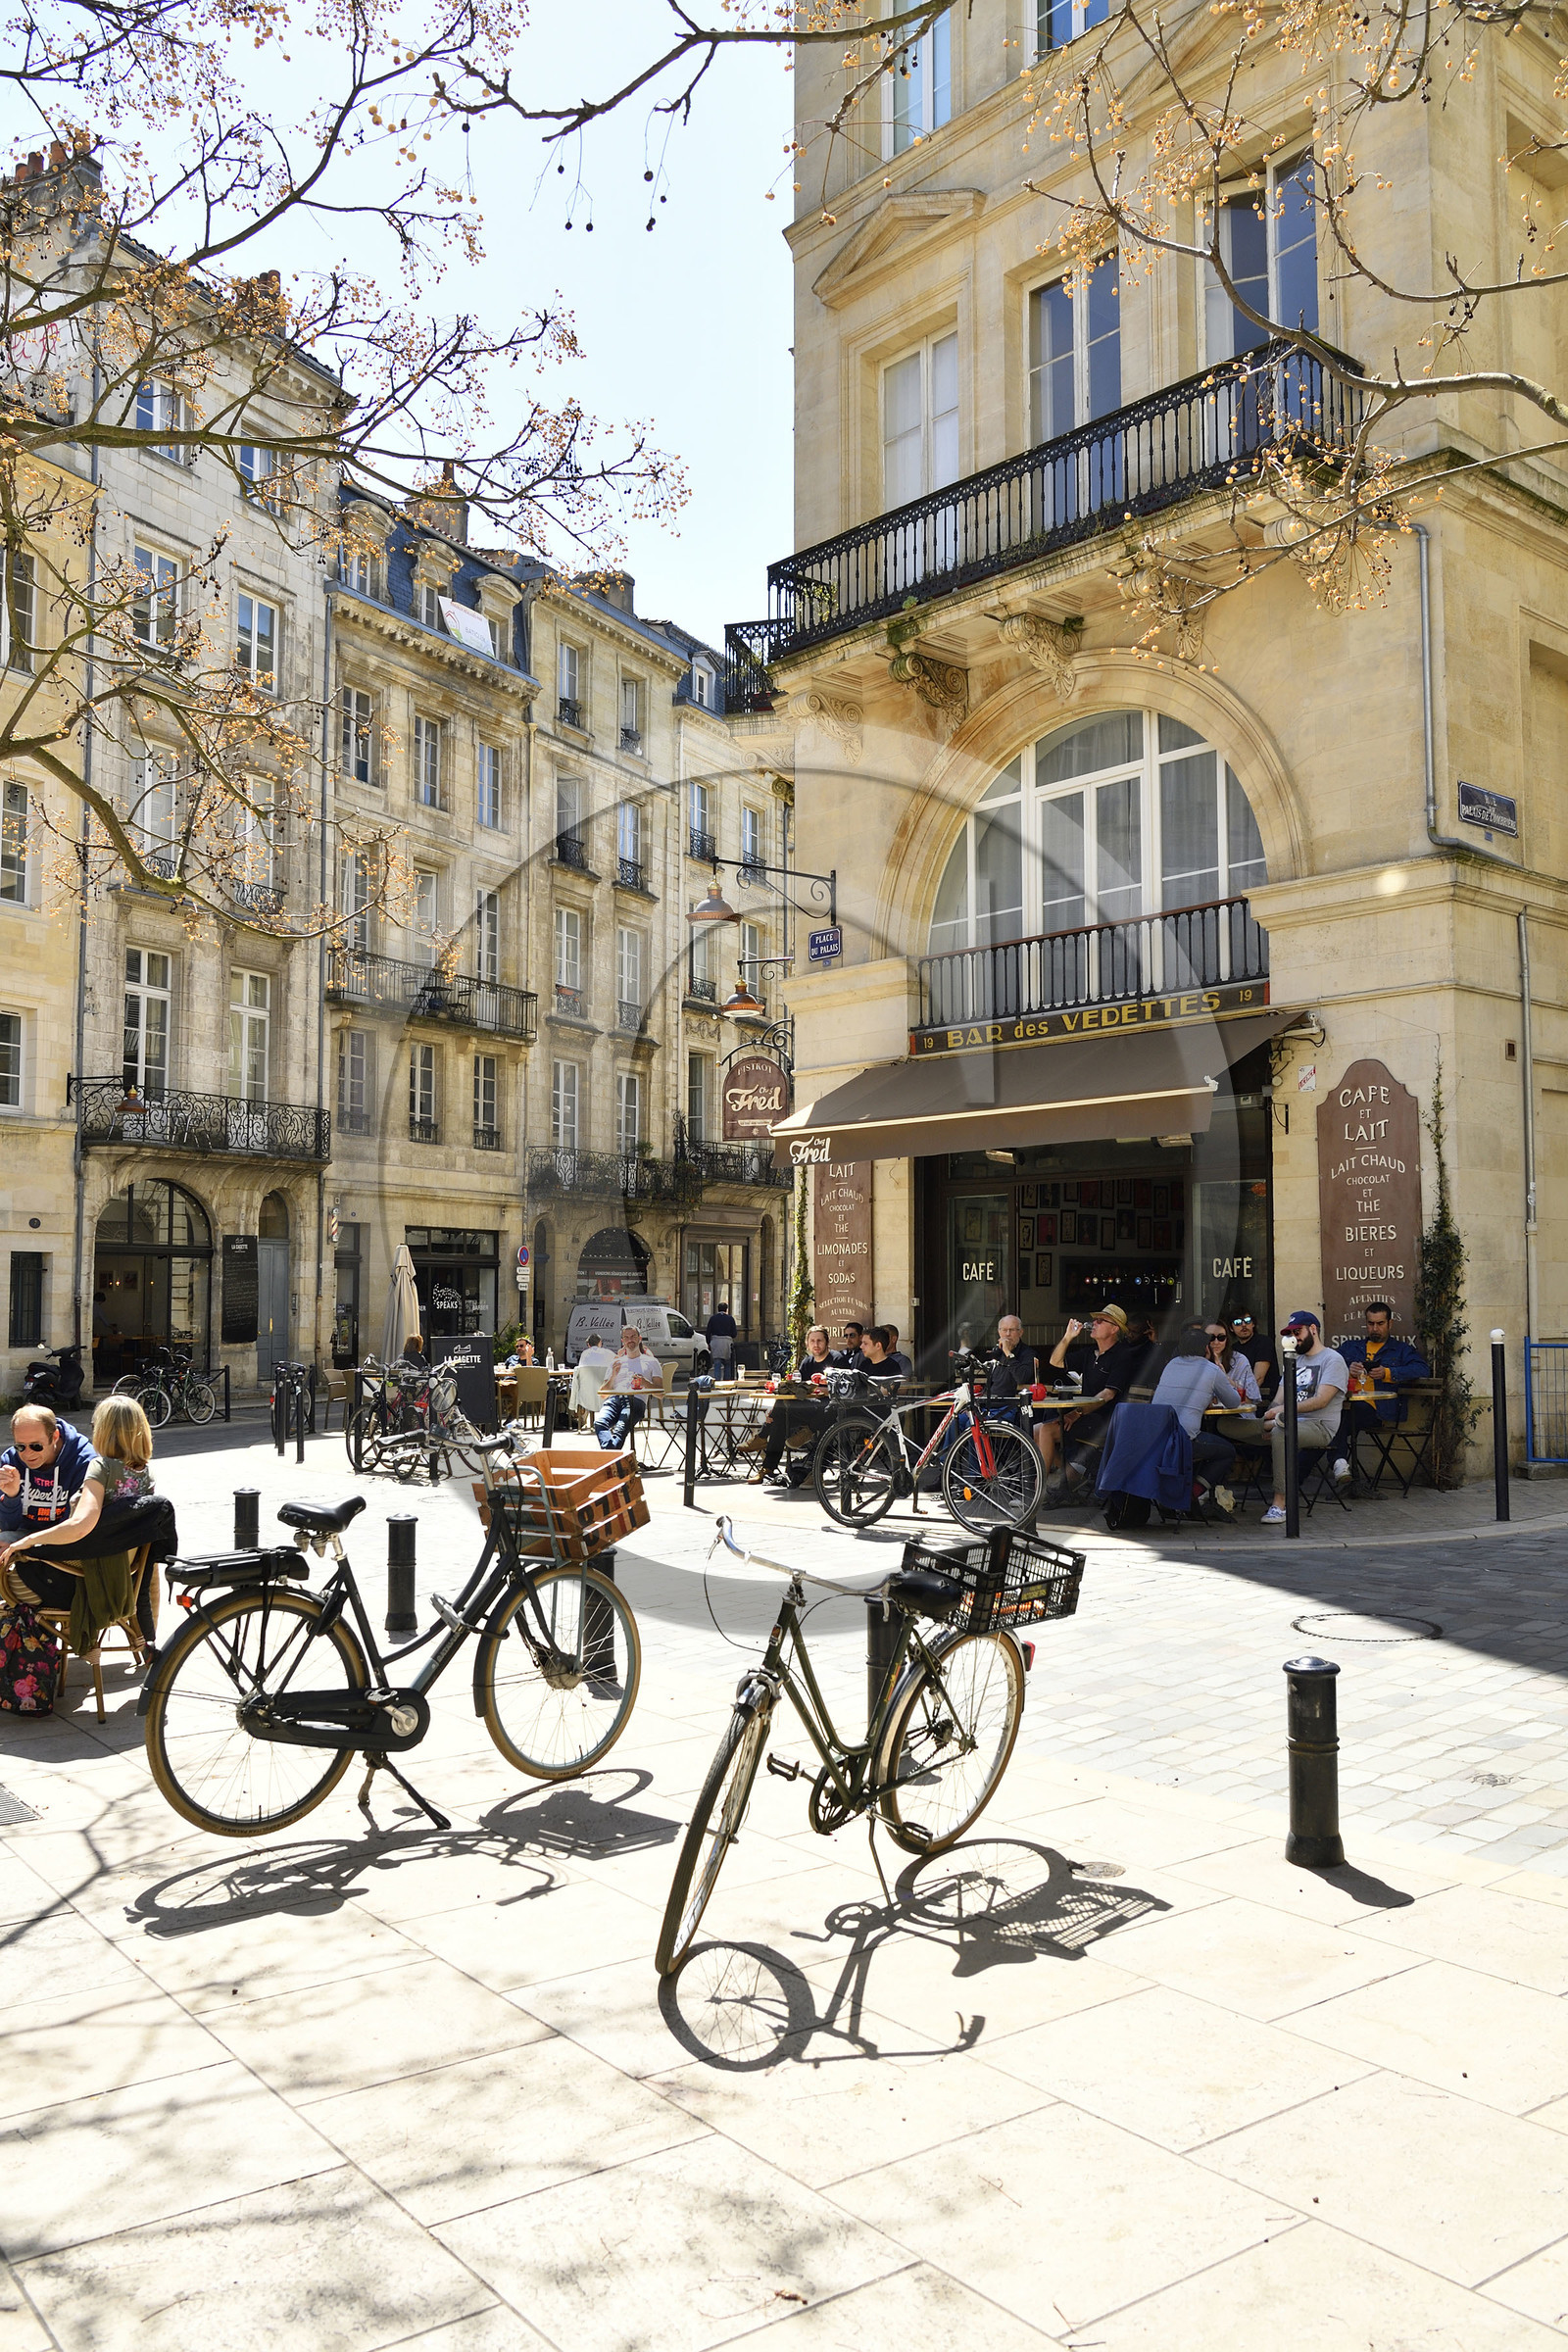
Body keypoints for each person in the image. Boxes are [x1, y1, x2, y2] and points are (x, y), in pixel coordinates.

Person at [0, 1398, 164, 1650]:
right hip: (119, 1573)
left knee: (7, 1569)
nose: (27, 1453)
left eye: (35, 1445)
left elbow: (80, 1526)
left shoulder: (98, 1467)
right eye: (20, 1446)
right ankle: (146, 1643)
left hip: (76, 1571)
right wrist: (12, 1498)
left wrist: (29, 1542)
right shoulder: (147, 1473)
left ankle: (35, 1649)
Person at [1037, 1304, 1141, 1491]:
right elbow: (1055, 1361)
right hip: (1087, 1417)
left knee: (1046, 1430)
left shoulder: (1122, 1355)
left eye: (1101, 1321)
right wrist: (1068, 1337)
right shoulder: (1089, 1353)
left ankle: (1038, 1491)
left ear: (1114, 1329)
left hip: (1107, 1420)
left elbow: (1108, 1394)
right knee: (1035, 1431)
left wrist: (1076, 1413)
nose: (1094, 1323)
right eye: (1095, 1319)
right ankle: (1072, 1473)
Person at [1261, 1311, 1349, 1523]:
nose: (1294, 1337)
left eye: (1297, 1331)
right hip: (1288, 1421)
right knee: (1228, 1425)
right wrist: (1267, 1416)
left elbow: (1321, 1401)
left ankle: (1280, 1504)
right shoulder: (1294, 1359)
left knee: (1280, 1432)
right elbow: (1278, 1399)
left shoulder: (1333, 1359)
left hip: (1319, 1426)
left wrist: (1280, 1414)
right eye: (1290, 1333)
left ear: (1313, 1329)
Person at [1335, 1301, 1431, 1483]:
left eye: (1380, 1324)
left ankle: (1334, 1465)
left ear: (1390, 1324)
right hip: (1347, 1405)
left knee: (1337, 1419)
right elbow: (1327, 1364)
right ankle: (1334, 1467)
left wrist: (1388, 1373)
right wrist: (1347, 1368)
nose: (1375, 1328)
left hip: (1379, 1410)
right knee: (1332, 1419)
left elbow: (1422, 1369)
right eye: (1371, 1324)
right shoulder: (1351, 1347)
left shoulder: (1401, 1350)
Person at [1152, 1329, 1244, 1513]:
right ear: (1206, 1349)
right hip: (1183, 1440)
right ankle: (1191, 1493)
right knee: (1227, 1452)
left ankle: (1178, 1493)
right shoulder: (1210, 1369)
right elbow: (1234, 1401)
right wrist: (1217, 1365)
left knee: (1204, 1442)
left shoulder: (1171, 1364)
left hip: (1157, 1438)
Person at [752, 1324, 842, 1484]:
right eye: (812, 1341)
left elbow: (843, 1389)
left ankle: (764, 1438)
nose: (816, 1344)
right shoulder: (807, 1362)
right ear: (807, 1343)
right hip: (810, 1407)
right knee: (779, 1414)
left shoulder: (837, 1359)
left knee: (785, 1416)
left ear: (827, 1342)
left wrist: (822, 1388)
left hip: (830, 1409)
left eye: (819, 1341)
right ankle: (768, 1467)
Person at [593, 1326, 662, 1450]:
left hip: (635, 1400)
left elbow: (661, 1394)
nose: (630, 1340)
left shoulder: (651, 1362)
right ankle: (612, 1458)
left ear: (639, 1339)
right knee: (599, 1423)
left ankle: (609, 1459)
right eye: (626, 1337)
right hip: (614, 1400)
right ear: (622, 1341)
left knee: (620, 1429)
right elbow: (603, 1394)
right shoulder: (615, 1363)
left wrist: (645, 1383)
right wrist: (613, 1376)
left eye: (633, 1337)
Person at [986, 1314, 1037, 1405]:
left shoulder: (1028, 1353)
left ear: (1020, 1332)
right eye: (1004, 1330)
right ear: (999, 1332)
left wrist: (1008, 1352)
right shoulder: (996, 1353)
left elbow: (1021, 1378)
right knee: (958, 1419)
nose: (1008, 1334)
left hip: (1010, 1407)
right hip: (986, 1405)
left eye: (1012, 1330)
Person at [1206, 1322, 1261, 1406]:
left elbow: (1250, 1400)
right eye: (1211, 1338)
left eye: (1221, 1338)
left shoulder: (1239, 1360)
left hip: (1237, 1415)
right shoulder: (1198, 1361)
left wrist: (1225, 1379)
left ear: (1227, 1339)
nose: (1216, 1342)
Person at [1229, 1311, 1278, 1402]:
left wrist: (1244, 1397)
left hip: (1263, 1400)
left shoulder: (1264, 1342)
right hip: (1237, 1398)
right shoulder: (1233, 1349)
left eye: (1247, 1321)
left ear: (1253, 1324)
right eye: (1237, 1322)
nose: (1244, 1325)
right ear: (1231, 1328)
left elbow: (1258, 1379)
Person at [705, 1300, 739, 1374]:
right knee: (727, 1363)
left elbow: (708, 1332)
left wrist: (708, 1342)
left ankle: (717, 1382)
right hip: (727, 1342)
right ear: (726, 1309)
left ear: (718, 1309)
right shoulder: (730, 1319)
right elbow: (734, 1333)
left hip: (716, 1341)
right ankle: (727, 1382)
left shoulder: (713, 1318)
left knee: (717, 1363)